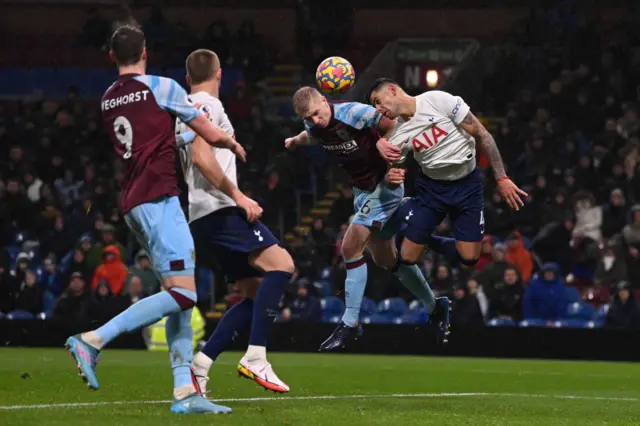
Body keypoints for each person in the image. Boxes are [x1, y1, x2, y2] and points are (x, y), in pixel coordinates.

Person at [64, 25, 245, 414]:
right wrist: (229, 140)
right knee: (184, 294)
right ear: (145, 51)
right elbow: (207, 133)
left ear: (112, 56)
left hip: (133, 202)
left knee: (177, 292)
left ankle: (184, 392)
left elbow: (153, 142)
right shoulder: (160, 87)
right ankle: (93, 340)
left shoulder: (109, 97)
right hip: (159, 200)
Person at [286, 86, 445, 351]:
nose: (315, 120)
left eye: (316, 113)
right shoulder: (313, 124)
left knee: (350, 244)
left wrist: (388, 149)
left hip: (385, 185)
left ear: (325, 101)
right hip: (363, 192)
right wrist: (294, 141)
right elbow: (309, 134)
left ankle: (350, 323)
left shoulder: (354, 112)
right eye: (309, 117)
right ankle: (435, 306)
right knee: (386, 260)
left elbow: (396, 123)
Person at [175, 49, 294, 394]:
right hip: (220, 209)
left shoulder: (183, 107)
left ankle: (200, 366)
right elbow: (200, 156)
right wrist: (239, 197)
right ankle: (256, 357)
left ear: (187, 76)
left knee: (256, 295)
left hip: (201, 214)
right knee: (283, 265)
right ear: (219, 74)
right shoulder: (206, 106)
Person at [367, 78, 527, 284]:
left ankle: (420, 231)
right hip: (432, 189)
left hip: (468, 185)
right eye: (374, 106)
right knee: (407, 257)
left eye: (378, 101)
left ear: (392, 90)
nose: (379, 109)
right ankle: (409, 213)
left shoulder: (438, 100)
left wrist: (502, 178)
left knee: (469, 258)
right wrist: (390, 176)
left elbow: (483, 136)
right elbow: (390, 170)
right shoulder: (397, 134)